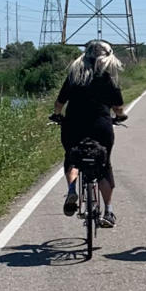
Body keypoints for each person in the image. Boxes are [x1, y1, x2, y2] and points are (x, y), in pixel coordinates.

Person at [50, 40, 127, 228]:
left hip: (74, 125)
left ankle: (71, 190)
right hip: (101, 125)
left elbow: (60, 102)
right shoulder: (108, 78)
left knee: (72, 157)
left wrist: (57, 115)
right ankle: (108, 211)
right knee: (104, 164)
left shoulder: (75, 75)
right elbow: (118, 107)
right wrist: (120, 116)